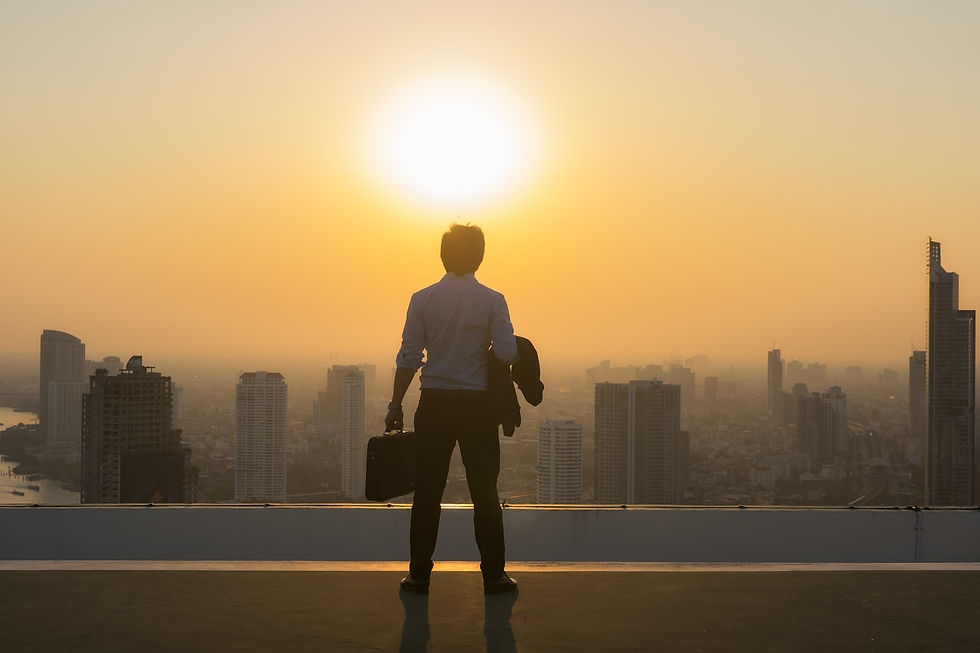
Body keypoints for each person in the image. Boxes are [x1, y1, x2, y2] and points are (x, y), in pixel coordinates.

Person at [386, 223, 519, 595]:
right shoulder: (493, 300)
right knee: (484, 493)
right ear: (479, 257)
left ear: (443, 256)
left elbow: (409, 357)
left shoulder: (422, 299)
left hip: (435, 406)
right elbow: (508, 353)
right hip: (477, 408)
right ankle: (494, 575)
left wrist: (395, 403)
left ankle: (418, 575)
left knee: (427, 493)